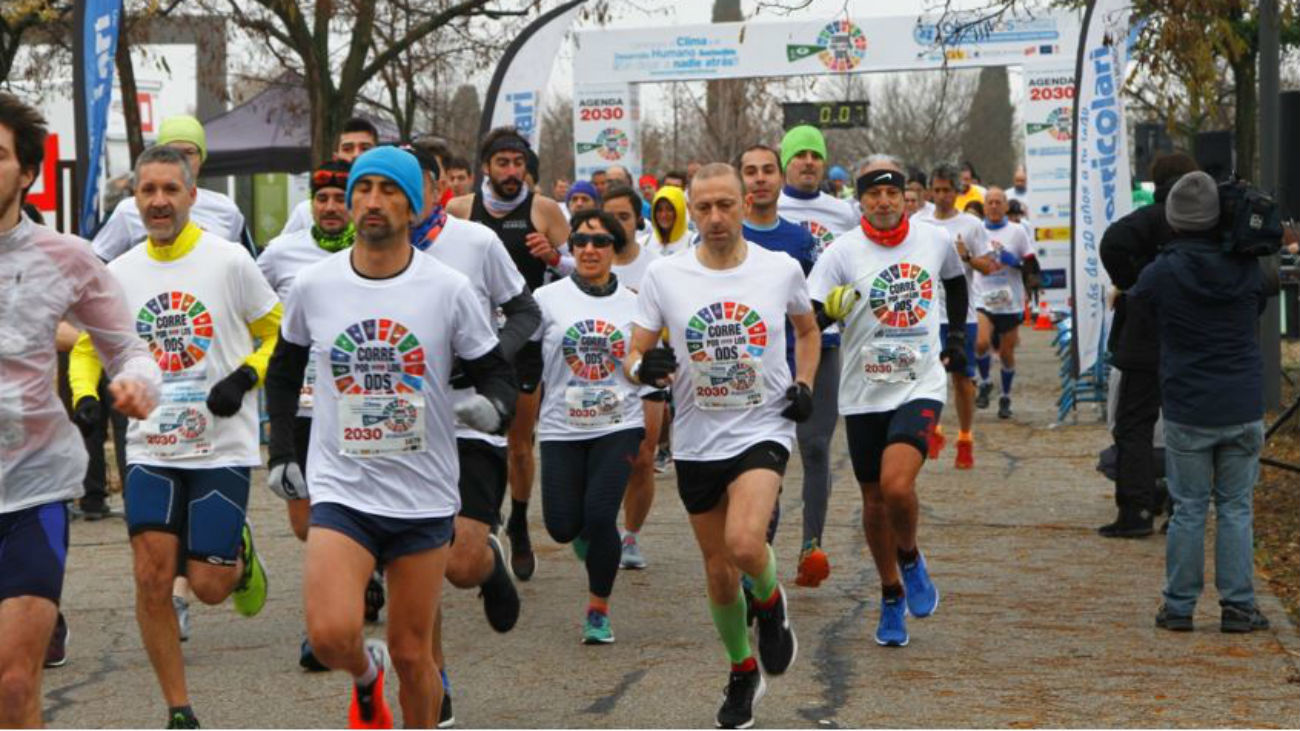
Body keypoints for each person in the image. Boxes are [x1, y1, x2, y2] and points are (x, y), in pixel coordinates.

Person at [264, 146, 516, 728]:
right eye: (363, 189)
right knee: (330, 637)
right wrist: (281, 451)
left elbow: (496, 373)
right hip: (342, 488)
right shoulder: (313, 285)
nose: (373, 202)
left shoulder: (447, 288)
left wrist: (493, 406)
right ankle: (363, 674)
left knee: (413, 653)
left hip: (421, 493)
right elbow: (282, 372)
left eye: (389, 190)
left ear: (415, 203)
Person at [68, 145, 278, 729]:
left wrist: (244, 376)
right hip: (152, 446)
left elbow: (278, 331)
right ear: (134, 201)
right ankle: (178, 708)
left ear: (191, 196)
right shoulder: (119, 274)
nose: (158, 201)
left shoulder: (230, 260)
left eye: (169, 190)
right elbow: (88, 349)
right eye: (147, 191)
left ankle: (238, 551)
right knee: (152, 576)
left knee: (209, 586)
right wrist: (86, 397)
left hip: (220, 443)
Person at [626, 163, 817, 729]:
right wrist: (644, 367)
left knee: (743, 541)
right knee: (717, 570)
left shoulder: (779, 268)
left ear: (745, 202)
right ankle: (742, 669)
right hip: (697, 437)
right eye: (703, 207)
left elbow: (807, 331)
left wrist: (804, 384)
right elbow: (635, 354)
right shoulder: (667, 275)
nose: (714, 218)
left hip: (764, 426)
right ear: (691, 208)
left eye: (724, 205)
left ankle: (771, 598)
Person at [0, 92, 160, 729]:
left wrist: (140, 384)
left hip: (33, 489)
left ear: (27, 171)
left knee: (13, 684)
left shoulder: (66, 257)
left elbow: (130, 349)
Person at [808, 156, 969, 648]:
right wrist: (826, 310)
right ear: (861, 201)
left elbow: (955, 280)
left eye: (891, 195)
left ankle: (912, 556)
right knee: (874, 500)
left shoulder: (933, 240)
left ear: (905, 198)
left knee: (897, 487)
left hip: (918, 383)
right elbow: (809, 315)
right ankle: (891, 591)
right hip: (862, 392)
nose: (882, 203)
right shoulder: (841, 252)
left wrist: (956, 334)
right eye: (873, 196)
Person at [408, 139, 536, 726]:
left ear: (439, 189)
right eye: (383, 185)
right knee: (419, 560)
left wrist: (487, 357)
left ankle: (487, 562)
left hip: (471, 417)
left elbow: (527, 313)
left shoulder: (475, 242)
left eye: (412, 182)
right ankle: (434, 679)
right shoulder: (366, 256)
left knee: (456, 564)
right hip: (401, 427)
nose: (397, 196)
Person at [1129, 171, 1270, 634]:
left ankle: (1179, 607)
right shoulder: (1247, 267)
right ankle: (1239, 606)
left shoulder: (1160, 273)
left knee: (1188, 508)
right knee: (1236, 507)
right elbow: (1261, 301)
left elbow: (1142, 317)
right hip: (1243, 403)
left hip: (1190, 405)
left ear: (1173, 219)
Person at [527, 209, 657, 642]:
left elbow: (644, 366)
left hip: (618, 422)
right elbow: (521, 352)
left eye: (600, 242)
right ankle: (589, 539)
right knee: (562, 526)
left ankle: (598, 611)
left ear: (615, 251)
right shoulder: (547, 300)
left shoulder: (636, 304)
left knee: (601, 515)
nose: (588, 249)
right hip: (561, 426)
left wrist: (655, 371)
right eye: (580, 241)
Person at [448, 127, 570, 582]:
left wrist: (555, 257)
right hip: (472, 344)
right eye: (503, 163)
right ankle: (482, 521)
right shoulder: (461, 210)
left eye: (518, 164)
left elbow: (584, 266)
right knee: (474, 438)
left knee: (518, 443)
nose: (512, 172)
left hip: (524, 339)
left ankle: (517, 524)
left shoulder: (544, 210)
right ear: (486, 167)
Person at [256, 159, 355, 670]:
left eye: (340, 198)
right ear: (311, 204)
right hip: (298, 400)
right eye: (323, 199)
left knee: (340, 516)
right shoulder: (283, 253)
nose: (331, 208)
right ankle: (363, 577)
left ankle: (322, 624)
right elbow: (246, 298)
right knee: (304, 521)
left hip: (355, 404)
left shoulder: (373, 254)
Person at [737, 144, 837, 590]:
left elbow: (820, 298)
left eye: (767, 171)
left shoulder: (800, 239)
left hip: (811, 353)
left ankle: (811, 546)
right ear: (742, 180)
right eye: (751, 172)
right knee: (765, 462)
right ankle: (761, 559)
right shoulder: (723, 234)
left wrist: (831, 312)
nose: (760, 179)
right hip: (751, 362)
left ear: (780, 180)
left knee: (814, 450)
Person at [1097, 152, 1198, 538]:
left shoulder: (1149, 219)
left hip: (1143, 336)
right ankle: (1183, 508)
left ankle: (1136, 511)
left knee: (1135, 424)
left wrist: (1134, 282)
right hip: (1191, 335)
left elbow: (1112, 242)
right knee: (1190, 425)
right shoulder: (1207, 222)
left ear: (1157, 183)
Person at [601, 185, 665, 569]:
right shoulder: (589, 258)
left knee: (643, 457)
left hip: (646, 370)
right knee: (605, 456)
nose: (615, 225)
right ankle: (599, 523)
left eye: (623, 217)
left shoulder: (656, 265)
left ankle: (630, 537)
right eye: (609, 217)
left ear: (637, 219)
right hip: (599, 374)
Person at [92, 115, 248, 262]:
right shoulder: (128, 211)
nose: (181, 160)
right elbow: (98, 262)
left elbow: (242, 264)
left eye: (189, 152)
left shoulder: (226, 209)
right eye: (172, 152)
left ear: (202, 158)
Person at [916, 163, 990, 469]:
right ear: (931, 191)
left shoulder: (971, 225)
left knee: (961, 379)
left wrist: (967, 257)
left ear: (957, 192)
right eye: (938, 190)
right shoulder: (918, 222)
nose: (943, 196)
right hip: (928, 316)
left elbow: (988, 266)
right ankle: (932, 432)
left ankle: (965, 437)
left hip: (962, 317)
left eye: (949, 190)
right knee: (927, 378)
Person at [972, 187, 1040, 420]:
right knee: (980, 343)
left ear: (1005, 206)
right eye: (989, 202)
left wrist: (1017, 262)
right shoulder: (976, 230)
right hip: (982, 296)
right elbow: (967, 259)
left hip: (1009, 300)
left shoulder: (1017, 231)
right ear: (984, 206)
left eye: (997, 202)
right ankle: (986, 382)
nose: (993, 206)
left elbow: (1032, 265)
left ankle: (1005, 397)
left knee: (1007, 353)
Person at [281, 118, 382, 236]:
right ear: (336, 156)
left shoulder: (388, 209)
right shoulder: (305, 213)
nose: (356, 155)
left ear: (378, 155)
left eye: (365, 148)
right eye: (347, 149)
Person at [776, 125, 859, 256]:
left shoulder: (846, 213)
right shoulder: (769, 211)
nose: (809, 162)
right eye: (800, 155)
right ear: (785, 164)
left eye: (816, 156)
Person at [647, 184, 692, 257]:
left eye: (669, 209)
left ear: (680, 211)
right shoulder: (645, 242)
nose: (663, 215)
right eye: (659, 210)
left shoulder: (692, 242)